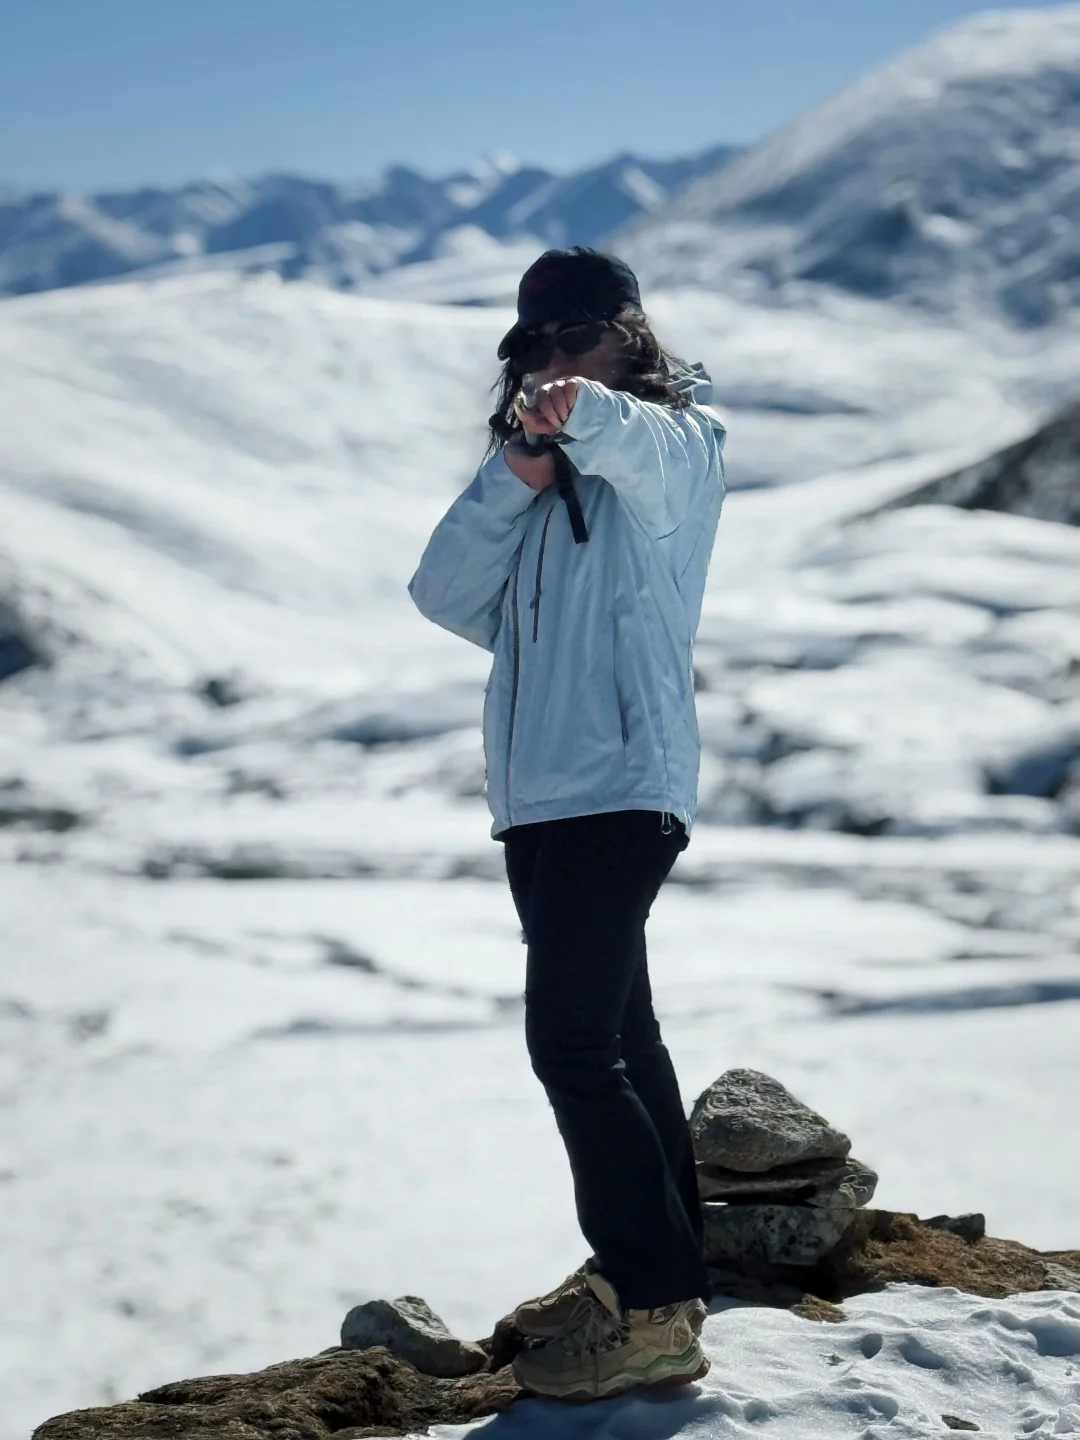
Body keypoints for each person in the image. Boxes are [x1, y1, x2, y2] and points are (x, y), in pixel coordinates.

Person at [407, 247, 726, 1402]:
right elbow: (442, 593)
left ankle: (651, 1309)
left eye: (577, 337)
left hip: (624, 790)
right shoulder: (542, 486)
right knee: (624, 1037)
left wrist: (582, 413)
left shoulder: (679, 447)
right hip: (539, 807)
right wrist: (518, 471)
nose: (552, 361)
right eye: (536, 345)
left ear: (629, 335)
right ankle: (662, 1273)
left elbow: (639, 443)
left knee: (572, 1045)